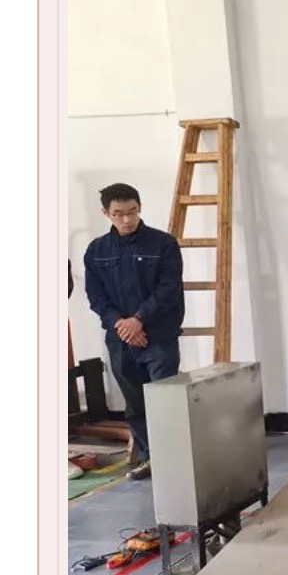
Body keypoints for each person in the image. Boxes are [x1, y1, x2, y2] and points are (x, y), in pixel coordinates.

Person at [83, 183, 184, 480]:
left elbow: (168, 290)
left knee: (165, 400)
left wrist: (138, 320)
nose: (127, 219)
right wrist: (123, 325)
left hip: (158, 336)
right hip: (121, 339)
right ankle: (152, 460)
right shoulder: (97, 251)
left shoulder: (163, 244)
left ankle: (175, 463)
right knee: (135, 403)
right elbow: (96, 296)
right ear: (106, 213)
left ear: (140, 208)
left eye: (132, 212)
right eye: (119, 214)